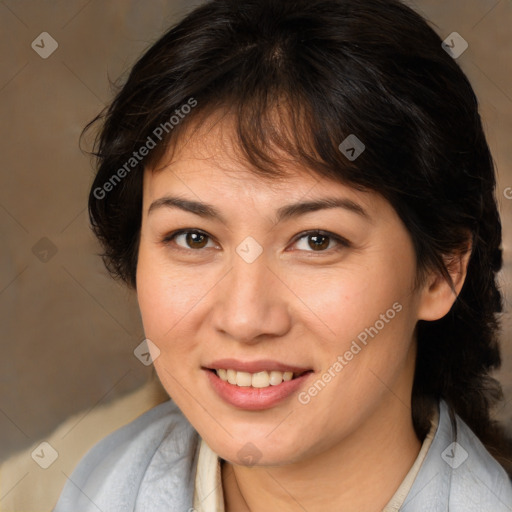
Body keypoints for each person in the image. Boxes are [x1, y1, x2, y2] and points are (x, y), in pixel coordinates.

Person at [53, 0, 512, 510]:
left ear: (441, 272)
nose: (245, 318)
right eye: (194, 237)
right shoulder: (88, 479)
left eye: (317, 240)